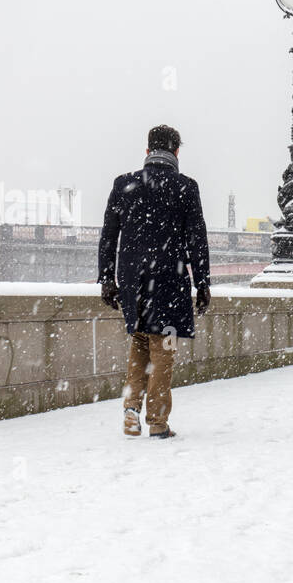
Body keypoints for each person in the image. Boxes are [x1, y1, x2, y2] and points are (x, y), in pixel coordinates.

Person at [98, 125, 210, 439]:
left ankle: (131, 406)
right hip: (169, 280)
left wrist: (107, 279)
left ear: (148, 152)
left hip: (133, 280)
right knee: (164, 348)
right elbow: (196, 241)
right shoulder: (186, 187)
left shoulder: (125, 184)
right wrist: (202, 284)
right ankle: (158, 422)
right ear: (176, 153)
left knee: (140, 341)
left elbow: (109, 237)